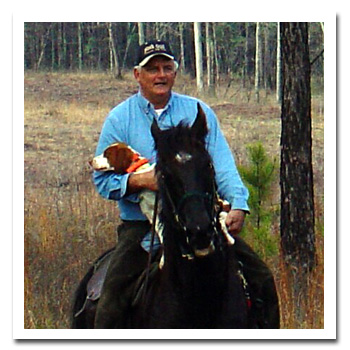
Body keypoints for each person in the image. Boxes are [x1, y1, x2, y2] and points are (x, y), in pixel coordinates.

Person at [93, 40, 278, 328]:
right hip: (142, 231)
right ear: (136, 75)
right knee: (109, 304)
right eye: (152, 69)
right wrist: (139, 181)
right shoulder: (119, 119)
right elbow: (102, 180)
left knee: (262, 280)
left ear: (175, 73)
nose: (161, 75)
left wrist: (238, 206)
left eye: (167, 68)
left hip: (204, 224)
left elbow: (224, 168)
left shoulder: (198, 112)